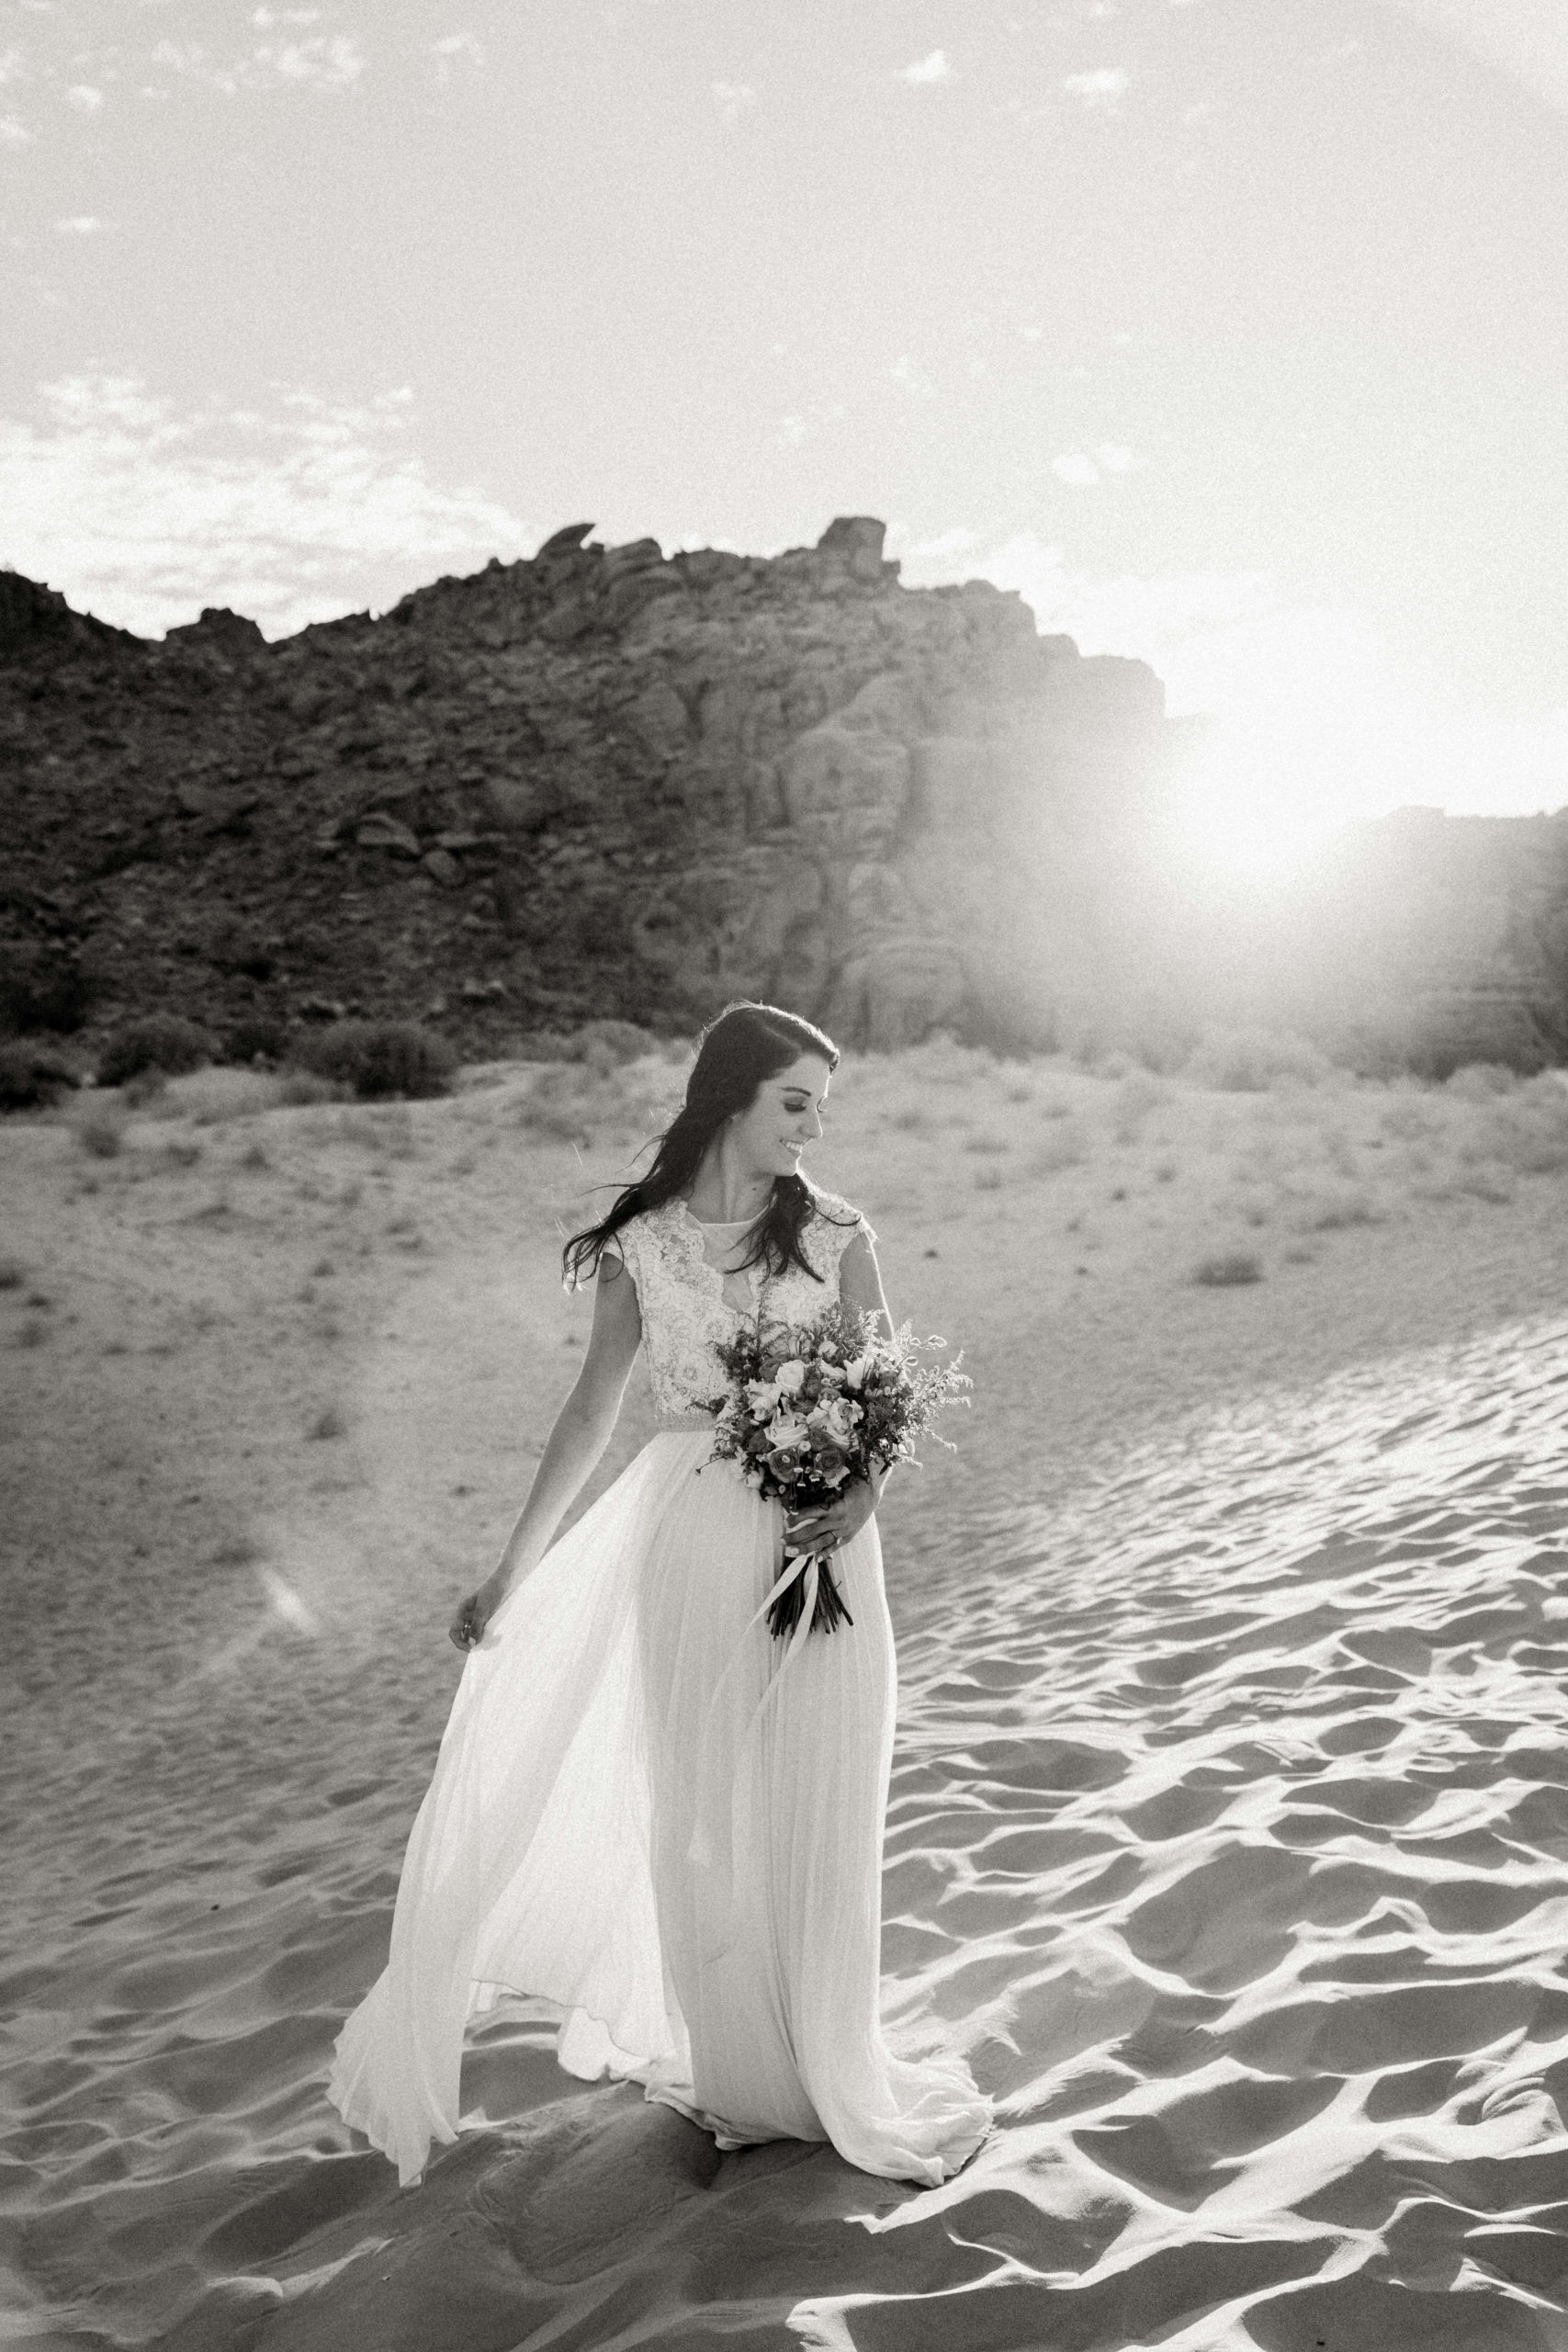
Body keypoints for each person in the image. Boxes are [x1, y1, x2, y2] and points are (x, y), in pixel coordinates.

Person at [327, 1000, 990, 2188]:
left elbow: (884, 1388)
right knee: (703, 1816)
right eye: (796, 1102)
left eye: (823, 1111)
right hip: (687, 1538)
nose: (812, 1129)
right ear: (733, 1095)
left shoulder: (839, 1234)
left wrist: (863, 1496)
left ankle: (830, 2057)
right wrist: (510, 1568)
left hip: (822, 1541)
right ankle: (745, 2077)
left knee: (818, 1807)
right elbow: (590, 1416)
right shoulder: (645, 1244)